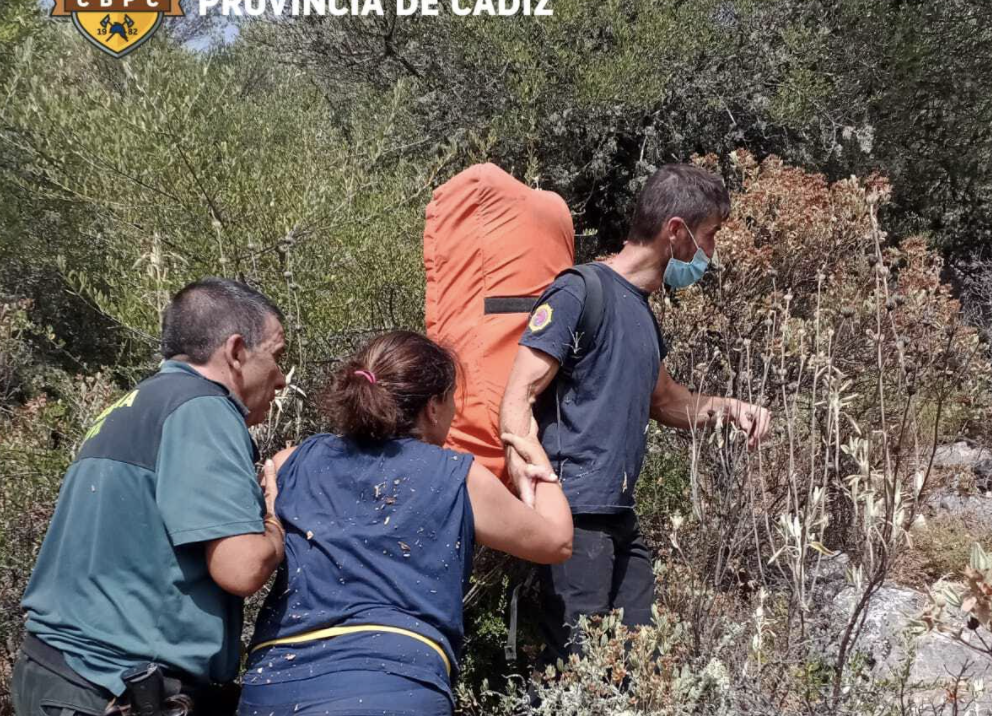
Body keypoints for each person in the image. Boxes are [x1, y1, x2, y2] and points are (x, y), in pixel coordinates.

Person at [499, 164, 772, 673]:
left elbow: (667, 402)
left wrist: (730, 409)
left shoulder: (641, 311)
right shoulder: (580, 292)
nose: (709, 253)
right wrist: (531, 480)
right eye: (708, 236)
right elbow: (517, 398)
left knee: (638, 666)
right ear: (675, 231)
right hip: (574, 518)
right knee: (576, 675)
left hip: (619, 517)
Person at [237, 330, 572, 716]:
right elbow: (557, 541)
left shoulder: (291, 462)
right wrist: (536, 461)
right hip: (394, 686)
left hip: (275, 685)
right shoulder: (457, 477)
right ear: (433, 407)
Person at [13, 277, 289, 716]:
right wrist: (276, 515)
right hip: (107, 686)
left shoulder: (133, 404)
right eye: (276, 357)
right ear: (236, 352)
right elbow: (241, 567)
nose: (279, 379)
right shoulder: (204, 408)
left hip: (55, 676)